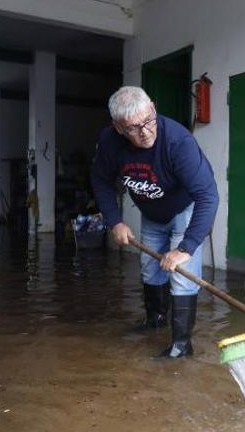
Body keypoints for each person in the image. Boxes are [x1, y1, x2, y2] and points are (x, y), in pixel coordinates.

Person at [91, 86, 218, 358]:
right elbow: (100, 181)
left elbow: (207, 196)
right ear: (117, 128)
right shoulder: (110, 142)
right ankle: (155, 319)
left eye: (149, 121)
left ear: (153, 107)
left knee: (182, 276)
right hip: (152, 212)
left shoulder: (177, 142)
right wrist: (115, 221)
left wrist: (185, 248)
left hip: (186, 209)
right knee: (150, 269)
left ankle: (182, 345)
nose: (146, 132)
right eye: (134, 128)